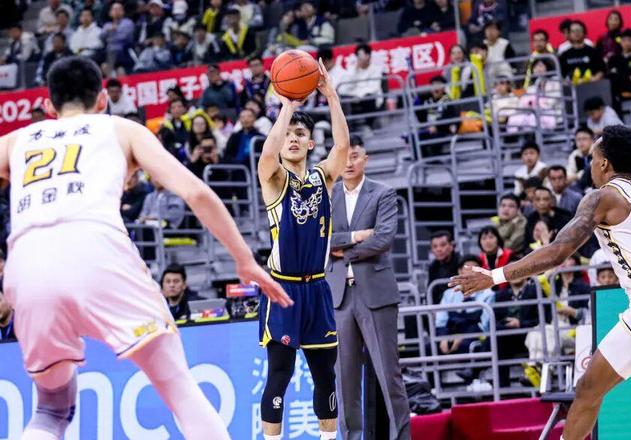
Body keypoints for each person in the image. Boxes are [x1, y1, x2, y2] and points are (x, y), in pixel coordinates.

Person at [0, 56, 290, 440]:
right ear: (102, 99)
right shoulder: (121, 129)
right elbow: (196, 192)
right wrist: (244, 259)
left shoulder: (16, 140)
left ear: (49, 106)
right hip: (96, 251)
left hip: (27, 265)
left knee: (51, 409)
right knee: (180, 390)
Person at [450, 125, 631, 439]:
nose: (590, 166)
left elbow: (558, 251)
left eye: (592, 159)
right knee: (588, 387)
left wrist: (493, 276)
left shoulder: (602, 197)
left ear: (604, 164)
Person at [256, 59, 349, 440]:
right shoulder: (274, 179)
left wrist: (331, 95)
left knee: (326, 375)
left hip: (317, 289)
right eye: (288, 134)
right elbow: (267, 156)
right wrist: (287, 106)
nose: (293, 139)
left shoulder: (323, 177)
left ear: (311, 143)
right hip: (283, 289)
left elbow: (342, 146)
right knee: (279, 375)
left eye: (301, 134)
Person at [326, 134, 410, 440]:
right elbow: (321, 240)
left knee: (389, 374)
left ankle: (402, 436)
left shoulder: (383, 193)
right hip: (338, 297)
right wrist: (357, 236)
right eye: (345, 157)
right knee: (344, 379)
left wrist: (343, 251)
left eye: (355, 156)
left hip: (375, 294)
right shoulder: (326, 195)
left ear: (365, 159)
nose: (349, 163)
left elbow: (383, 239)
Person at [492, 264, 539, 387]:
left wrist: (520, 324)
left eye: (518, 270)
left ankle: (500, 384)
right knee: (499, 333)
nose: (515, 274)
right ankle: (503, 386)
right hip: (506, 338)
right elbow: (496, 319)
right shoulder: (501, 295)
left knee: (497, 336)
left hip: (528, 335)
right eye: (511, 271)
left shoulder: (536, 291)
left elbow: (542, 319)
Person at [608, 29, 631, 97]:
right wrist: (630, 77)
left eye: (629, 40)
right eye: (624, 40)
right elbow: (612, 76)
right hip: (617, 93)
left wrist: (622, 75)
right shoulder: (614, 59)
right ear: (620, 42)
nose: (626, 43)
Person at [428, 230, 461, 304]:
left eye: (443, 245)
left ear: (451, 246)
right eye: (435, 246)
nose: (439, 249)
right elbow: (430, 293)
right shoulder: (433, 267)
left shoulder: (461, 263)